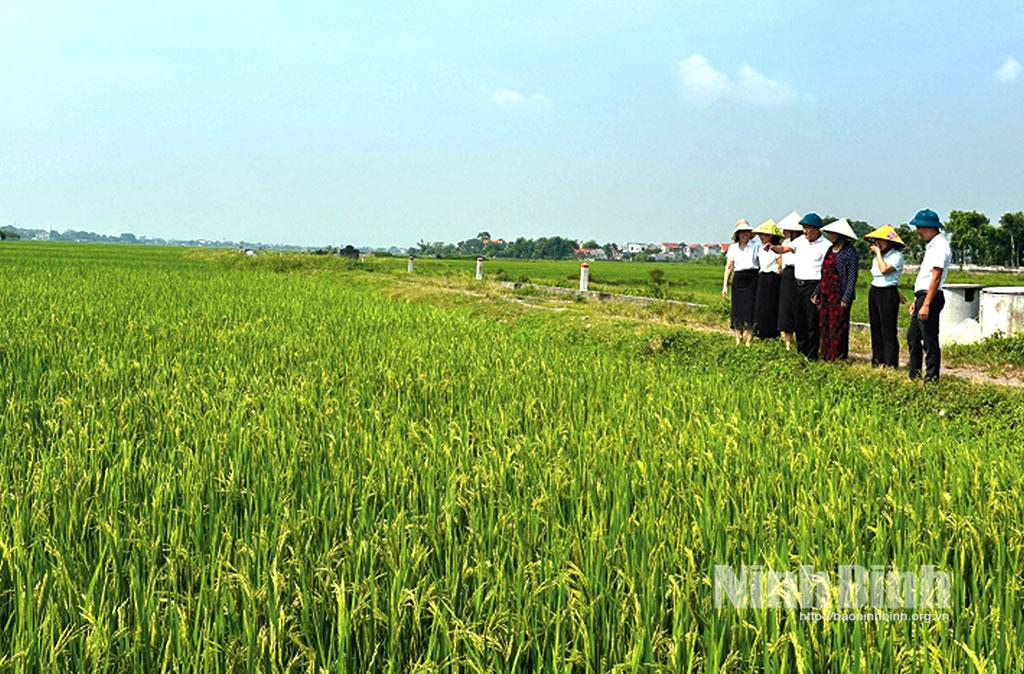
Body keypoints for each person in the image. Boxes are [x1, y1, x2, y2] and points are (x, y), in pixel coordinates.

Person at [767, 212, 830, 359]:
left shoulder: (826, 245)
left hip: (813, 285)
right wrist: (773, 248)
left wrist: (819, 290)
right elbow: (786, 249)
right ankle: (801, 351)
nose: (805, 231)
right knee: (799, 320)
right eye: (803, 228)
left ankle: (812, 354)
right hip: (798, 284)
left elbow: (826, 270)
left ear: (816, 229)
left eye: (807, 228)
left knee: (812, 322)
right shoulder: (800, 241)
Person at [906, 209, 952, 382]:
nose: (917, 231)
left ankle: (932, 376)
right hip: (923, 296)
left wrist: (926, 303)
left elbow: (936, 276)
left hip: (930, 297)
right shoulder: (932, 245)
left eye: (919, 227)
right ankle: (915, 373)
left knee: (929, 338)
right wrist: (917, 300)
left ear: (929, 227)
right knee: (913, 336)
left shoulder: (940, 246)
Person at [814, 218, 860, 361]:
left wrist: (846, 297)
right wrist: (817, 291)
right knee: (825, 325)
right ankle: (826, 355)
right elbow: (824, 273)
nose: (829, 236)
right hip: (826, 293)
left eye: (832, 234)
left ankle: (838, 357)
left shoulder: (849, 252)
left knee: (838, 327)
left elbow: (852, 276)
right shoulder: (830, 249)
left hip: (839, 294)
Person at [864, 225, 906, 368]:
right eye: (876, 241)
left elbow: (885, 270)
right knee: (875, 328)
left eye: (881, 241)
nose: (878, 244)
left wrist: (878, 254)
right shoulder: (879, 257)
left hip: (887, 293)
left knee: (888, 329)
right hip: (875, 291)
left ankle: (890, 363)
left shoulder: (896, 256)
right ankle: (877, 360)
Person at [722, 219, 759, 346]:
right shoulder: (733, 248)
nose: (744, 234)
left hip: (753, 278)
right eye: (741, 232)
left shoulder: (756, 245)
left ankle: (749, 340)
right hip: (738, 279)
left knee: (750, 309)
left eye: (747, 232)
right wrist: (725, 286)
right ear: (737, 234)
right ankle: (738, 339)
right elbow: (729, 267)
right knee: (737, 309)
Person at [775, 211, 803, 350]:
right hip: (786, 274)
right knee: (786, 308)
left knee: (797, 308)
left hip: (798, 273)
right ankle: (787, 342)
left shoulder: (801, 242)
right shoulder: (786, 242)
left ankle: (799, 340)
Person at [752, 219, 783, 339]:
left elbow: (780, 265)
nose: (762, 237)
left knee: (772, 305)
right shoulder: (760, 249)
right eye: (761, 235)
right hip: (763, 277)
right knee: (761, 306)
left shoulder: (777, 248)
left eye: (765, 235)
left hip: (773, 278)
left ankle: (772, 333)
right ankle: (760, 331)